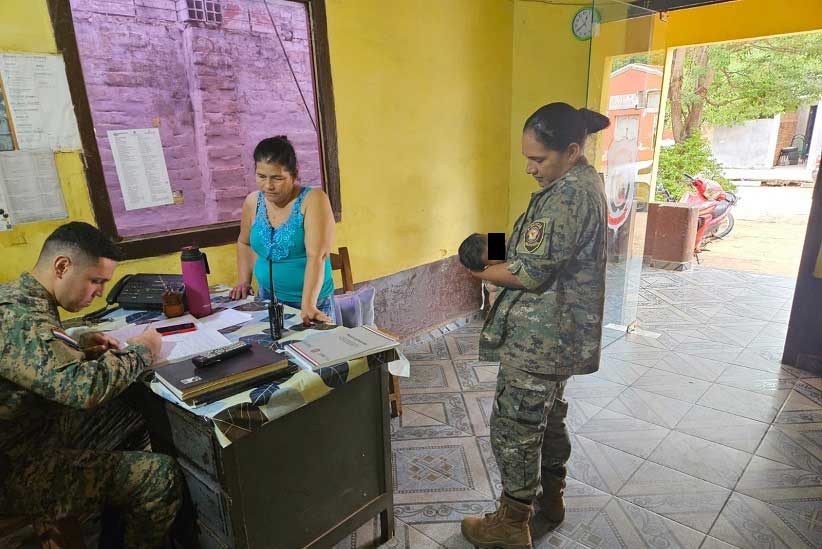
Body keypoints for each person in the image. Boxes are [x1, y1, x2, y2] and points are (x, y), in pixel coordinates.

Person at [460, 103, 609, 548]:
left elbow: (530, 271)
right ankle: (550, 499)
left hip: (541, 340)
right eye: (527, 158)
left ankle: (511, 523)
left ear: (571, 150)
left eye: (538, 159)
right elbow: (535, 241)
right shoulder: (578, 182)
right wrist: (484, 244)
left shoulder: (568, 195)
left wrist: (478, 272)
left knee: (515, 428)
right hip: (555, 339)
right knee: (547, 417)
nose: (529, 168)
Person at [0, 222, 182, 548]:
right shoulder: (21, 318)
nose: (98, 292)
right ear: (62, 266)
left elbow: (35, 355)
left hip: (30, 434)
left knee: (132, 414)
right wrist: (144, 350)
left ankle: (108, 518)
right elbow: (85, 390)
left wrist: (77, 344)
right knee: (159, 474)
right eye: (95, 281)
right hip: (15, 468)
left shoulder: (20, 299)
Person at [230, 136, 337, 325]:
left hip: (311, 301)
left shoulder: (313, 200)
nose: (268, 186)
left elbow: (317, 256)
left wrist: (309, 304)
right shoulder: (253, 201)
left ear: (294, 175)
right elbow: (244, 242)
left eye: (277, 178)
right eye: (261, 176)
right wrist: (244, 281)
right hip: (267, 298)